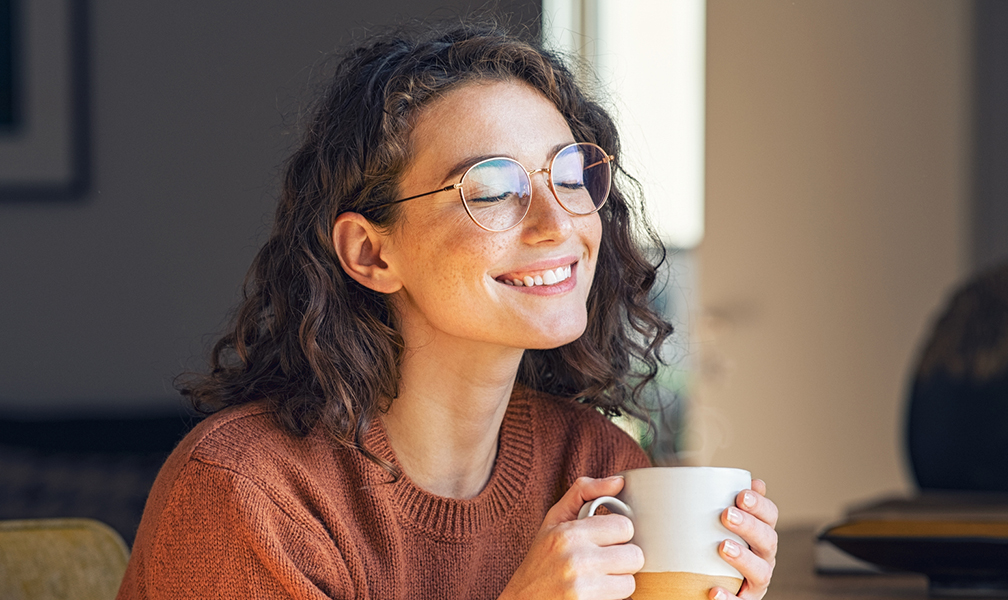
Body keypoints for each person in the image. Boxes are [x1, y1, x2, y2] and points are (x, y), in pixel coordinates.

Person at [117, 18, 778, 600]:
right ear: (371, 254)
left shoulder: (592, 467)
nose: (558, 224)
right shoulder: (251, 493)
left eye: (571, 175)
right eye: (491, 190)